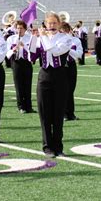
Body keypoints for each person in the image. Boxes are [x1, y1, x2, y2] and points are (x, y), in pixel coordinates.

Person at [30, 13, 72, 157]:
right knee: (45, 113)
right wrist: (33, 38)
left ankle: (58, 147)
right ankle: (47, 147)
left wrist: (42, 37)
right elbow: (32, 56)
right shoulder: (42, 38)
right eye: (49, 23)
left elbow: (55, 52)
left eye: (54, 23)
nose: (51, 26)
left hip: (60, 76)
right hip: (44, 76)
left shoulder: (66, 38)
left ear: (59, 24)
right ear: (45, 25)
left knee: (58, 113)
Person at [6, 20, 35, 114]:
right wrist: (13, 50)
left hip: (27, 62)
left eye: (21, 28)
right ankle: (21, 106)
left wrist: (24, 47)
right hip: (16, 62)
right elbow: (7, 54)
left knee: (28, 84)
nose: (19, 30)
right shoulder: (11, 39)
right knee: (18, 85)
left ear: (25, 29)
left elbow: (33, 52)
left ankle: (29, 106)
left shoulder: (30, 38)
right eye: (17, 28)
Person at [61, 22, 83, 121]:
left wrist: (69, 49)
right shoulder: (58, 40)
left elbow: (79, 54)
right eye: (62, 30)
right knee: (63, 91)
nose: (65, 32)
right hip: (61, 66)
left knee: (70, 90)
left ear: (69, 30)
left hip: (71, 65)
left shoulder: (76, 40)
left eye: (66, 30)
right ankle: (64, 114)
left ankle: (71, 113)